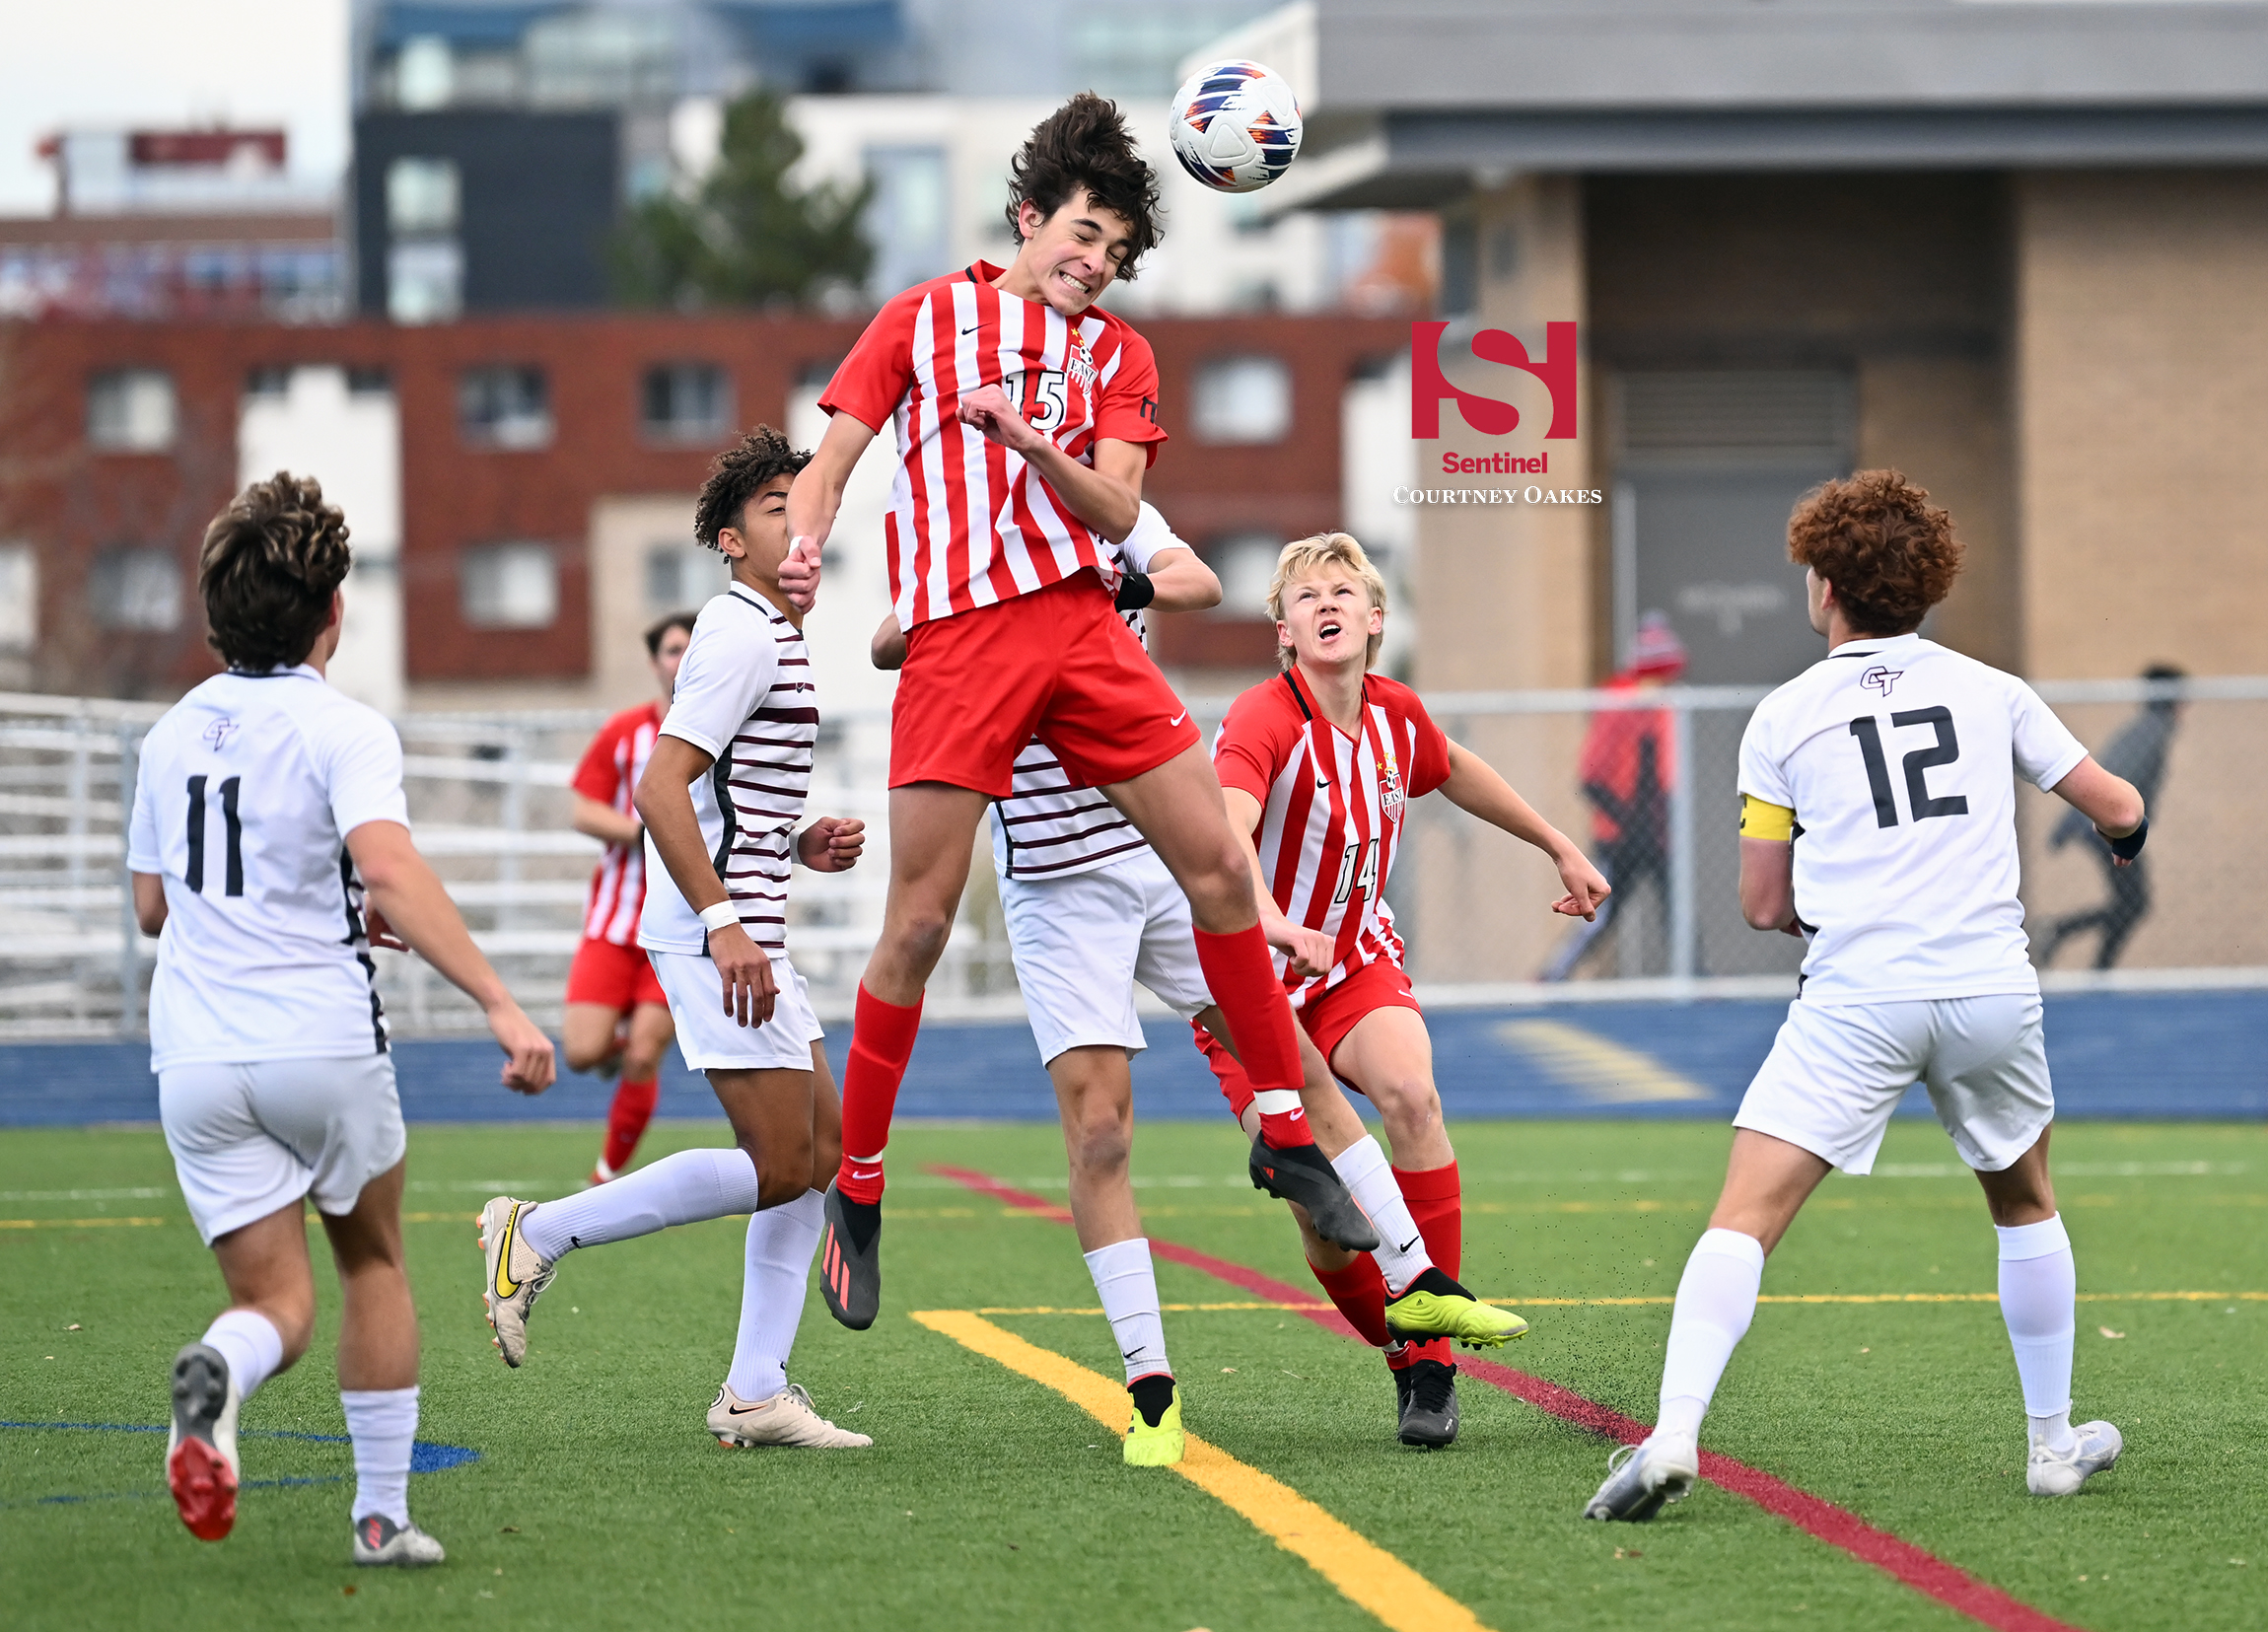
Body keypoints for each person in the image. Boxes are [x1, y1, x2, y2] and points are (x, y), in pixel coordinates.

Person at [779, 93, 1373, 1339]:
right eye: (1082, 233)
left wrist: (1026, 441)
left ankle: (1282, 1131)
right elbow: (831, 453)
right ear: (1028, 217)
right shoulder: (920, 317)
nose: (1092, 261)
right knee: (920, 923)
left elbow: (1115, 514)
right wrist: (810, 542)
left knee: (1217, 865)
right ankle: (861, 1184)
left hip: (1079, 631)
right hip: (957, 645)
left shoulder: (1116, 351)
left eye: (1111, 249)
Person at [1585, 470, 2147, 1523]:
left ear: (1822, 584)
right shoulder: (1992, 690)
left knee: (1742, 1217)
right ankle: (2049, 1443)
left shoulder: (1783, 714)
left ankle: (1669, 1434)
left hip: (1856, 995)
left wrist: (1828, 905)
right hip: (1986, 988)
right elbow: (2116, 803)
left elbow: (1760, 902)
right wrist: (2124, 840)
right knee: (2023, 1201)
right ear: (1924, 583)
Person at [133, 472, 556, 1562]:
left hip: (192, 1053)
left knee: (273, 1299)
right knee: (371, 1261)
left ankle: (219, 1372)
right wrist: (501, 1003)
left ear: (216, 607)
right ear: (333, 609)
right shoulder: (343, 727)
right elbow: (392, 869)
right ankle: (379, 1517)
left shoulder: (168, 734)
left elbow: (152, 905)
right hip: (318, 1039)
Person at [478, 427, 872, 1452]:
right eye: (779, 509)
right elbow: (658, 787)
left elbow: (715, 791)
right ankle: (539, 1230)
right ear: (733, 541)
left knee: (818, 1152)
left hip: (750, 921)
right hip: (720, 935)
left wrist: (793, 839)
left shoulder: (771, 632)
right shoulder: (740, 629)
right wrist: (725, 919)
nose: (802, 527)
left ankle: (753, 1388)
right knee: (785, 1156)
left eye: (810, 509)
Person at [1195, 531, 1611, 1448]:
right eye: (1304, 596)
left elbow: (1455, 768)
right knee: (1325, 1224)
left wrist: (1558, 843)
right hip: (1248, 985)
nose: (1325, 603)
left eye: (1343, 589)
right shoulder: (1263, 719)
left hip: (1353, 961)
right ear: (1283, 632)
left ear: (1376, 619)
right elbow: (1227, 829)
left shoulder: (1394, 713)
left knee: (1413, 1095)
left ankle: (1432, 1368)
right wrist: (1269, 918)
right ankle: (1400, 1349)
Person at [564, 612, 694, 1183]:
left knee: (645, 1054)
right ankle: (620, 1046)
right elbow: (582, 809)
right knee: (580, 1053)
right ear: (654, 663)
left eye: (692, 649)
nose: (681, 660)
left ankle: (603, 1177)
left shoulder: (727, 731)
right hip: (614, 924)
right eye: (671, 650)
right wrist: (644, 830)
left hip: (678, 926)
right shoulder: (624, 733)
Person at [1542, 611, 1683, 981]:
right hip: (1621, 835)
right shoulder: (1620, 703)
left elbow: (1662, 777)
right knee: (1599, 911)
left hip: (1653, 832)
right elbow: (1592, 778)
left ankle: (1696, 976)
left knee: (1676, 908)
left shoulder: (1662, 707)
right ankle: (1551, 977)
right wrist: (1628, 822)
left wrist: (1658, 824)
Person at [2039, 664, 2184, 970]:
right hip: (2104, 826)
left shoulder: (2149, 728)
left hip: (2102, 823)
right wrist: (2120, 828)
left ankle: (2090, 962)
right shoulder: (2152, 730)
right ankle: (2072, 945)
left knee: (2132, 903)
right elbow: (2116, 777)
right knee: (2135, 903)